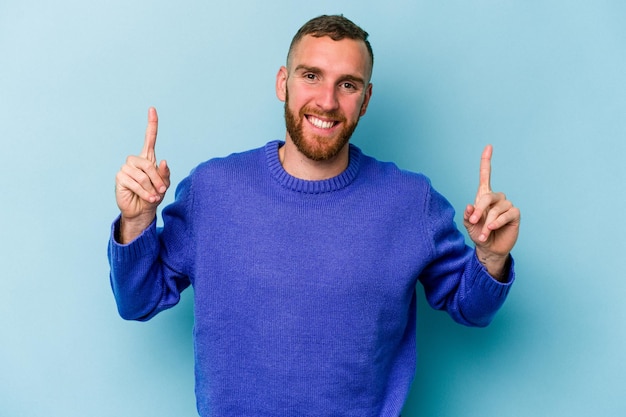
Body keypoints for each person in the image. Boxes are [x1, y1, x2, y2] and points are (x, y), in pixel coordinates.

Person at [108, 14, 520, 417]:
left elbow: (471, 309)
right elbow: (137, 301)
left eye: (347, 84)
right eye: (311, 76)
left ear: (366, 99)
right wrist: (138, 220)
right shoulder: (212, 190)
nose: (327, 100)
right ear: (282, 83)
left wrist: (491, 258)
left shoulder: (411, 201)